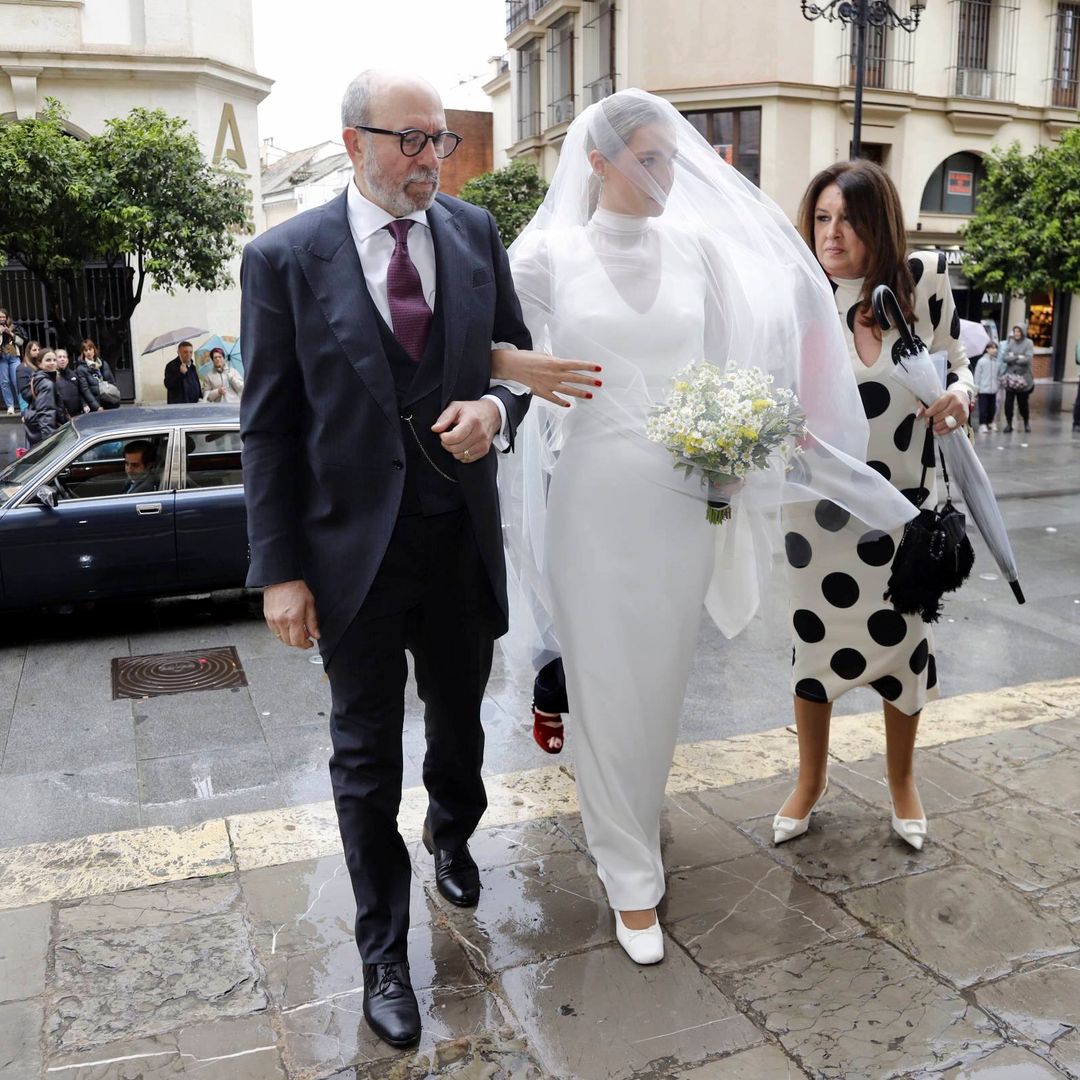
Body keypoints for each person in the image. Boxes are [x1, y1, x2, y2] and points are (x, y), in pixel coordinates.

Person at [494, 92, 915, 967]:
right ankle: (629, 877)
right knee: (605, 683)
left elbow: (739, 360)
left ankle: (636, 813)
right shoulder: (543, 255)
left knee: (659, 681)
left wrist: (740, 442)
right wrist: (517, 366)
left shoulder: (697, 250)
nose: (666, 175)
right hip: (592, 496)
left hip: (682, 496)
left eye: (671, 159)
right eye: (647, 159)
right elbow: (481, 346)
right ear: (599, 164)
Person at [239, 70, 533, 1048]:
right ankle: (381, 955)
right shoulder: (282, 259)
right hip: (347, 557)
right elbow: (269, 428)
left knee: (460, 726)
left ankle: (454, 825)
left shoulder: (476, 236)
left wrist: (495, 412)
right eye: (411, 140)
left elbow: (516, 364)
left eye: (440, 141)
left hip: (457, 540)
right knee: (363, 761)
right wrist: (279, 569)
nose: (429, 161)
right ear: (353, 139)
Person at [772, 160, 975, 854]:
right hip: (816, 517)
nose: (832, 234)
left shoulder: (922, 287)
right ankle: (810, 781)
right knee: (814, 653)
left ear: (877, 224)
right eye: (822, 218)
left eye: (849, 220)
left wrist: (961, 396)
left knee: (904, 653)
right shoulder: (800, 299)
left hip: (903, 515)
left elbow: (960, 361)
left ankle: (903, 783)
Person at [23, 349, 64, 446]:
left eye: (54, 360)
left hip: (37, 431)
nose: (52, 363)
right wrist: (49, 444)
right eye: (48, 360)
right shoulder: (46, 384)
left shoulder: (38, 378)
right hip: (44, 434)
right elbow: (46, 413)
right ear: (40, 364)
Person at [1001, 324, 1034, 433]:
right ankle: (1009, 424)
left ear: (1023, 332)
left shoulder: (1029, 343)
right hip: (1010, 378)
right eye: (1015, 332)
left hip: (1023, 379)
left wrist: (1013, 357)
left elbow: (1027, 360)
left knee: (1023, 404)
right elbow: (1004, 357)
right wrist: (1018, 356)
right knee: (1008, 404)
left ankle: (1026, 423)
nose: (1016, 334)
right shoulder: (1011, 343)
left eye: (1018, 332)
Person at [76, 340, 120, 411]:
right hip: (97, 405)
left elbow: (112, 382)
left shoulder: (103, 363)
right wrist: (97, 406)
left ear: (94, 350)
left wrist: (115, 397)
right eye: (85, 350)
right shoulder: (81, 369)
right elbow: (85, 390)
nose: (88, 352)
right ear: (83, 353)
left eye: (90, 349)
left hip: (109, 401)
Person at [973, 341, 1003, 433]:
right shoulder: (981, 361)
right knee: (983, 408)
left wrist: (998, 384)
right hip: (983, 390)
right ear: (987, 349)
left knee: (992, 408)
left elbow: (998, 375)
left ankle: (990, 422)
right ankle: (982, 424)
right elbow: (977, 376)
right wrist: (977, 388)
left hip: (993, 389)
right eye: (992, 348)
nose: (994, 350)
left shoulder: (996, 362)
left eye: (995, 348)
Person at [0, 308, 24, 416]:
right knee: (4, 382)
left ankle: (23, 405)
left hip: (13, 355)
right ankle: (10, 406)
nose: (2, 319)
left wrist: (10, 333)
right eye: (0, 317)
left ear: (7, 317)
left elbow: (21, 341)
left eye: (4, 317)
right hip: (2, 357)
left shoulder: (14, 327)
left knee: (17, 381)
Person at [54, 348, 83, 420]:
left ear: (67, 360)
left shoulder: (73, 374)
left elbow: (80, 392)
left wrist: (84, 404)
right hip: (62, 417)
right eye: (59, 357)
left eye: (64, 357)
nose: (62, 359)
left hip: (77, 415)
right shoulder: (53, 377)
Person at [16, 340, 41, 413]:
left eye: (39, 349)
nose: (37, 352)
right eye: (34, 350)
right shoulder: (22, 368)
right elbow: (23, 390)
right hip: (28, 403)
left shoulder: (41, 366)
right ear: (29, 351)